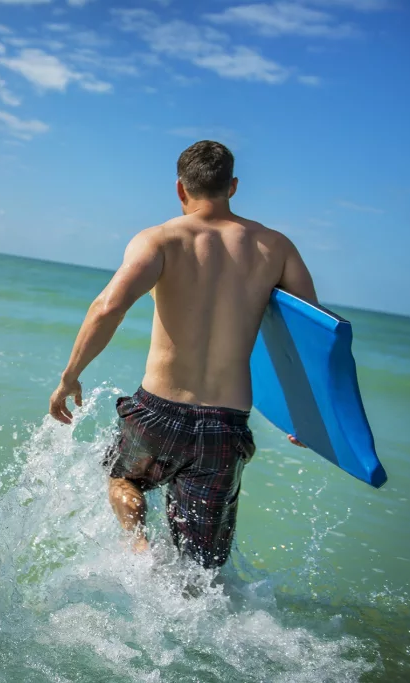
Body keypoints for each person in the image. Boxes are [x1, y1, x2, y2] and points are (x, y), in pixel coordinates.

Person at [48, 140, 317, 569]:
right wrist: (307, 416)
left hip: (158, 414)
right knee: (202, 567)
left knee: (122, 477)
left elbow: (108, 307)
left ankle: (138, 547)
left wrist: (70, 375)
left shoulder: (161, 239)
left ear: (180, 189)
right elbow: (310, 337)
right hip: (225, 429)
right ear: (232, 186)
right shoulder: (277, 248)